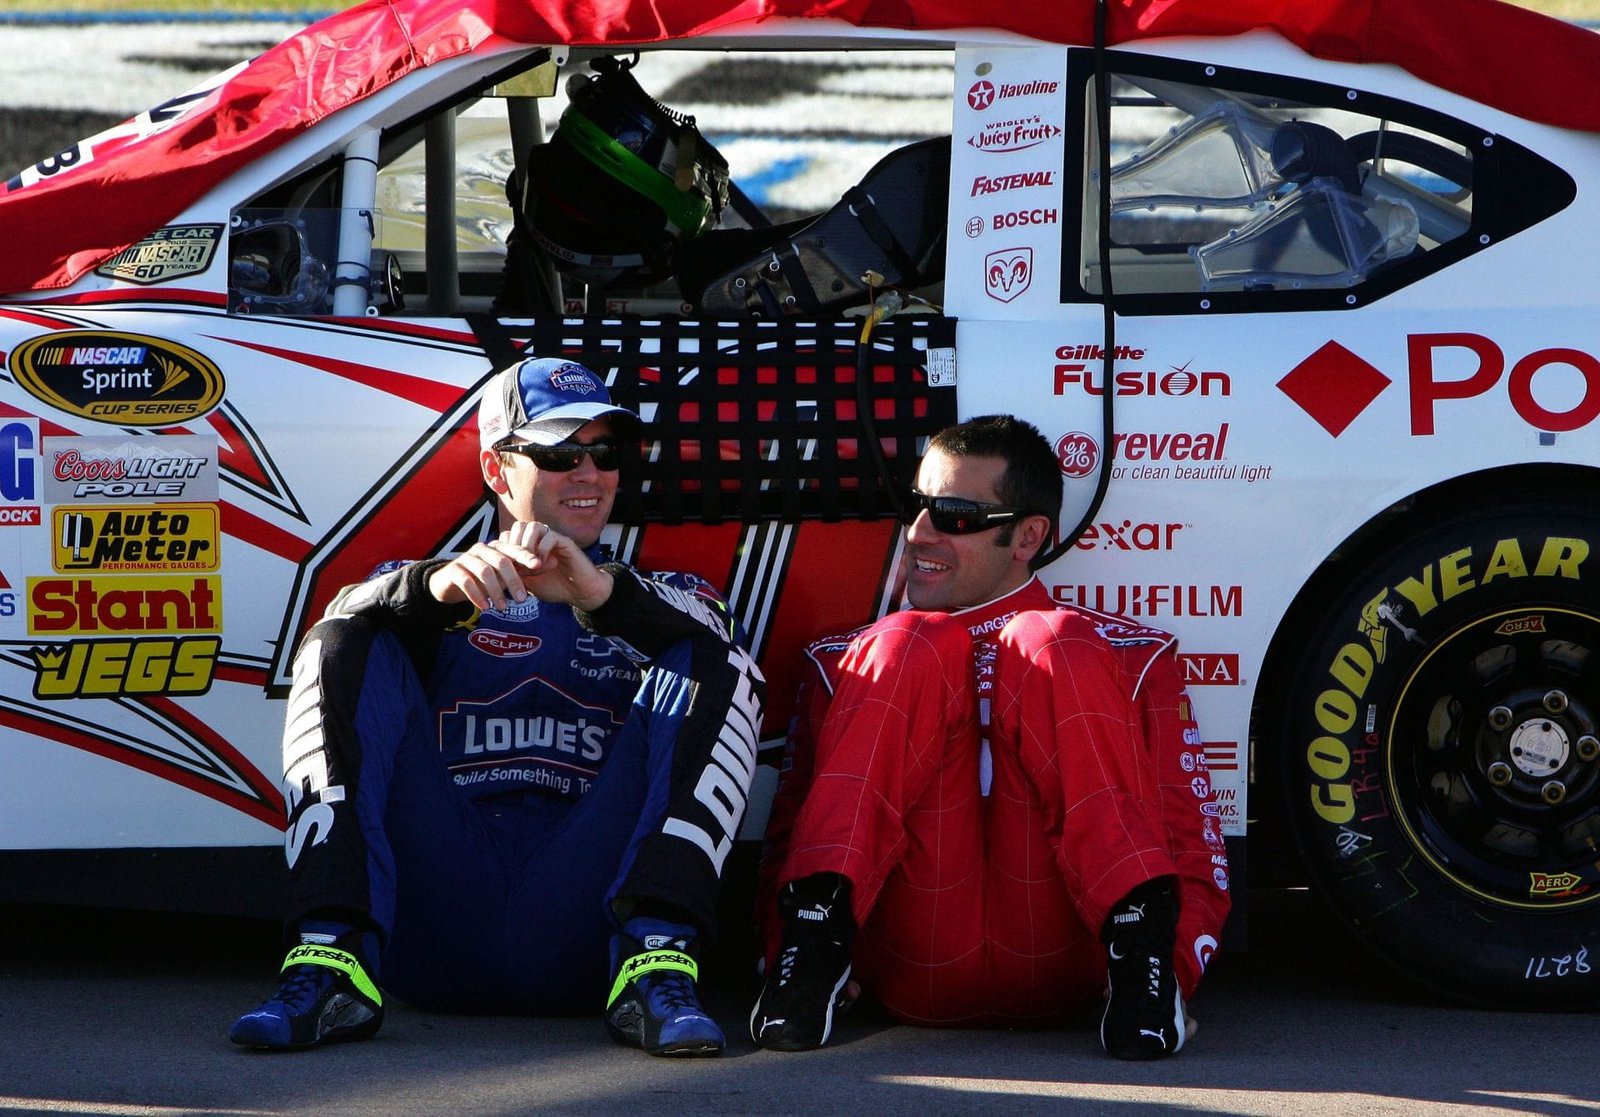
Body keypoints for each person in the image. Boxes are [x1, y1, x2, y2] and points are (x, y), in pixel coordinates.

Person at [229, 357, 764, 1056]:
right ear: (494, 468)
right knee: (338, 643)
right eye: (559, 450)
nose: (590, 472)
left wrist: (601, 596)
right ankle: (330, 959)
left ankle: (657, 959)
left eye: (607, 452)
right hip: (437, 913)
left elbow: (726, 644)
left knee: (717, 660)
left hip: (587, 921)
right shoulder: (419, 586)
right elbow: (340, 621)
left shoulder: (664, 594)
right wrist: (433, 592)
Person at [750, 414, 1230, 1059]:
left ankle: (1144, 978)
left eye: (953, 515)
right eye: (917, 506)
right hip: (907, 961)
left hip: (1076, 960)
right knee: (906, 641)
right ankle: (809, 966)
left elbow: (1193, 841)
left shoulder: (1132, 654)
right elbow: (792, 837)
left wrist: (1174, 969)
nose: (918, 533)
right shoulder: (844, 659)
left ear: (1029, 535)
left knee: (1049, 639)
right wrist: (780, 946)